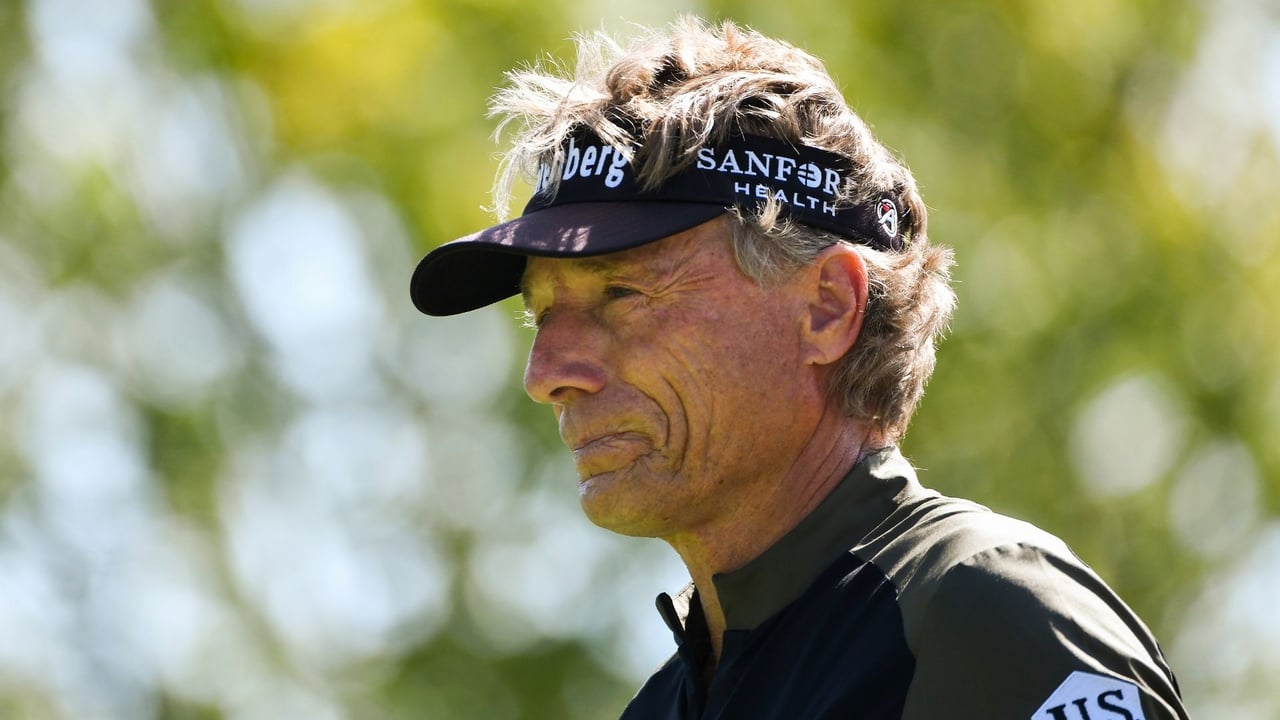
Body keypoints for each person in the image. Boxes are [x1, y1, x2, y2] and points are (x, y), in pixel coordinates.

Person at [409, 17, 1189, 720]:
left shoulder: (986, 619)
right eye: (543, 313)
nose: (546, 372)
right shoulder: (663, 706)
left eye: (622, 291)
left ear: (828, 308)